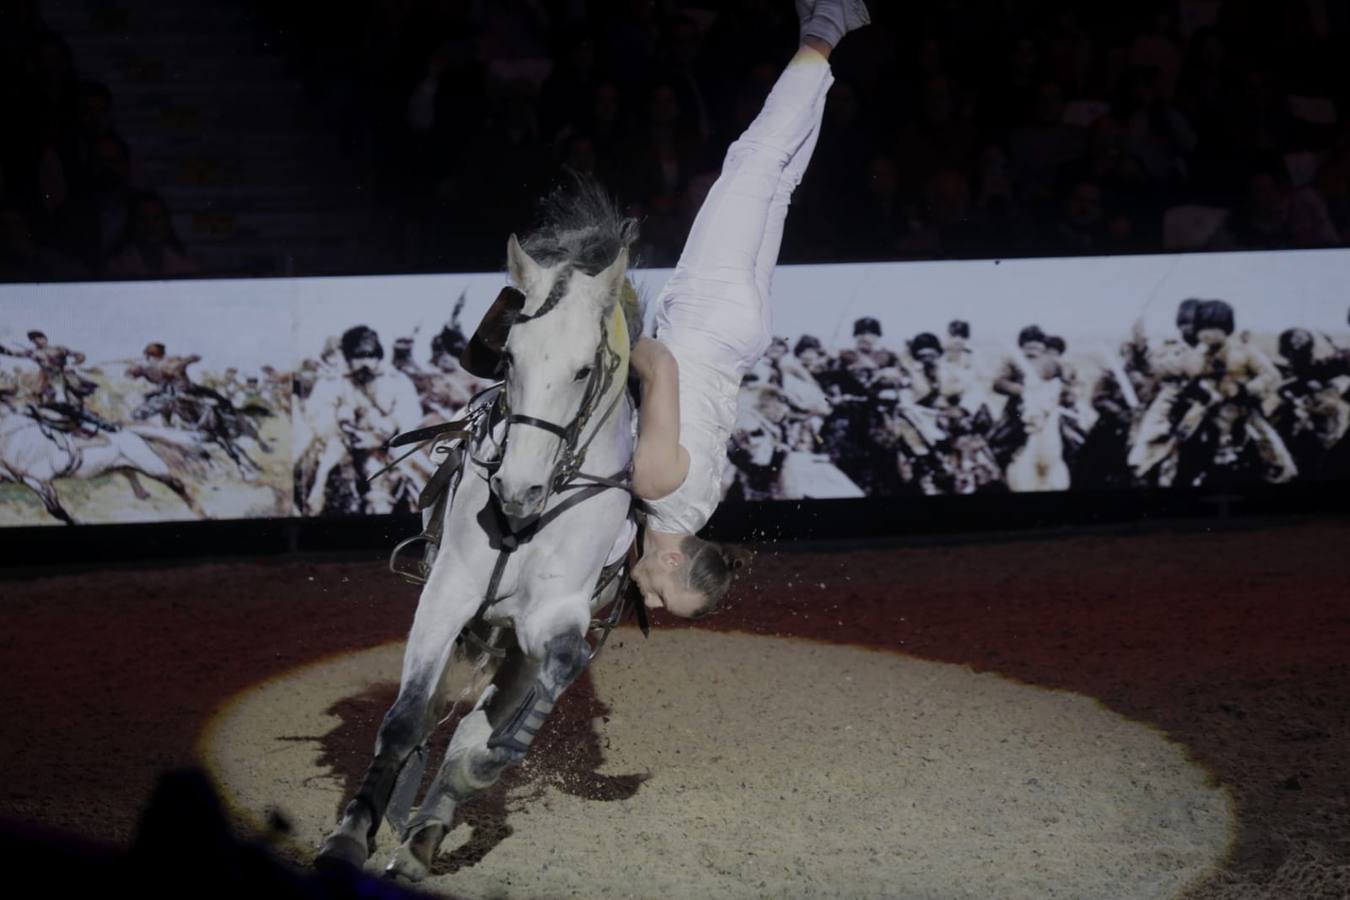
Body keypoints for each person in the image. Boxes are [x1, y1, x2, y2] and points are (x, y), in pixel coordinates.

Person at [625, 1, 872, 617]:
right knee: (754, 160)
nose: (650, 603)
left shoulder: (699, 510)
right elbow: (662, 369)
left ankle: (822, 29)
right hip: (708, 318)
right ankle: (827, 29)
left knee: (778, 183)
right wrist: (608, 345)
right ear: (675, 559)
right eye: (663, 593)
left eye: (655, 602)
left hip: (741, 335)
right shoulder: (654, 487)